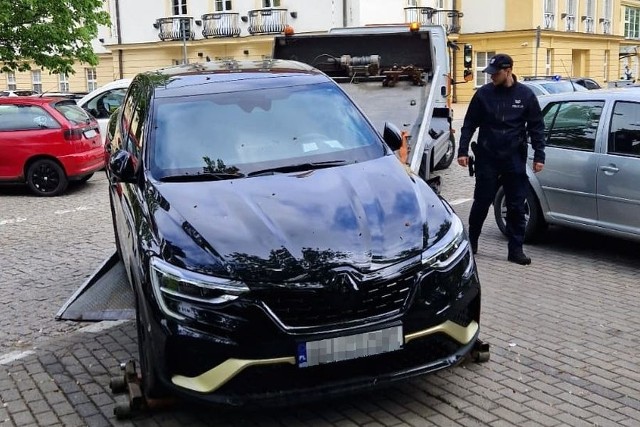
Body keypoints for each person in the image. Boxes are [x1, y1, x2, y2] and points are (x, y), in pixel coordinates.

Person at [457, 53, 545, 265]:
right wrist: (462, 151)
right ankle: (473, 242)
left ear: (508, 71)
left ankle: (516, 250)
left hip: (513, 158)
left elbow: (536, 127)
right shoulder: (483, 95)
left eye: (495, 74)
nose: (491, 77)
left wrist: (539, 155)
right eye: (490, 74)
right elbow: (469, 124)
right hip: (488, 157)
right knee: (482, 201)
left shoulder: (525, 95)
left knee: (516, 205)